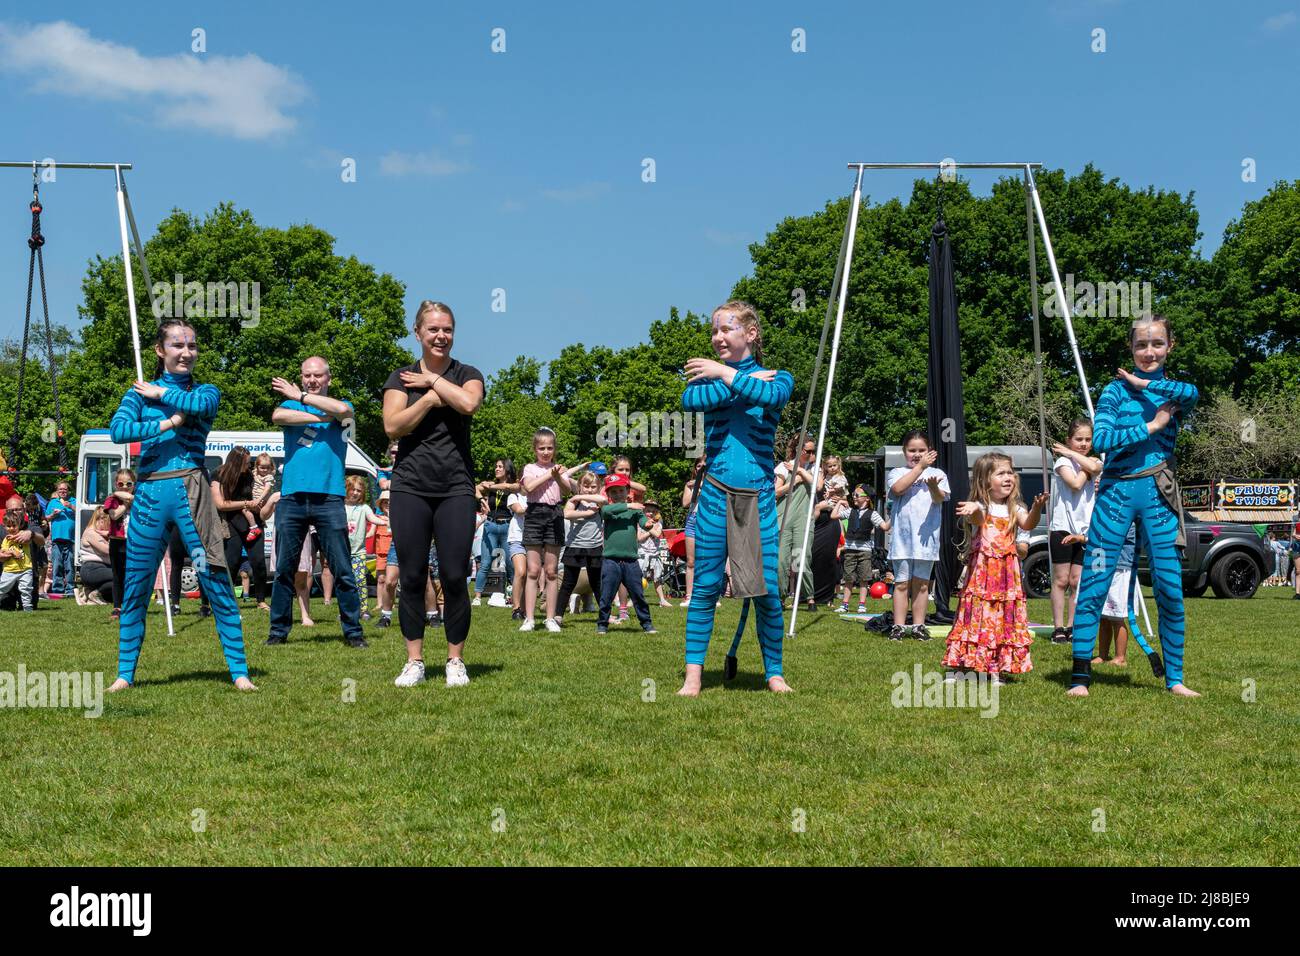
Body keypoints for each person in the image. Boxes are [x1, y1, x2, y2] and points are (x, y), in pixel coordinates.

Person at [106, 318, 254, 692]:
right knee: (137, 584)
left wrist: (160, 394)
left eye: (191, 345)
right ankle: (125, 673)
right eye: (177, 345)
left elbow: (199, 405)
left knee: (214, 577)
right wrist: (167, 423)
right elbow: (118, 431)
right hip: (150, 495)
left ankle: (239, 671)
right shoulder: (138, 395)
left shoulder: (205, 391)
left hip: (192, 494)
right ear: (160, 350)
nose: (186, 352)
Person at [1070, 315, 1199, 697]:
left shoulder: (1175, 392)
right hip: (1115, 496)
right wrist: (1153, 426)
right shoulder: (1113, 391)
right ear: (1131, 348)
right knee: (1094, 582)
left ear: (1170, 346)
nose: (1149, 352)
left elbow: (1193, 392)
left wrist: (1145, 385)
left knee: (1170, 589)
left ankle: (1175, 679)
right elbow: (1102, 440)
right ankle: (1080, 678)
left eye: (1157, 344)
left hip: (1159, 498)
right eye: (1141, 345)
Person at [679, 301, 794, 696]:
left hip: (759, 498)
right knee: (705, 587)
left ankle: (774, 673)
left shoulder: (778, 378)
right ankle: (693, 676)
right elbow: (691, 401)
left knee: (767, 592)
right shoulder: (704, 382)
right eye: (714, 331)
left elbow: (773, 395)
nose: (718, 337)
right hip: (714, 495)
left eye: (726, 329)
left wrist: (725, 374)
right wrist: (738, 380)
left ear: (751, 333)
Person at [384, 301, 484, 689]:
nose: (441, 336)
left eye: (447, 329)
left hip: (456, 487)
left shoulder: (468, 374)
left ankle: (455, 660)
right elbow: (394, 426)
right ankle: (415, 661)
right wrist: (428, 398)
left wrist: (432, 381)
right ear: (418, 333)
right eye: (433, 329)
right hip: (410, 486)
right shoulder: (401, 377)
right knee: (411, 575)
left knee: (455, 575)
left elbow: (469, 403)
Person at [266, 356, 365, 648]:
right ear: (301, 376)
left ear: (328, 379)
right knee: (284, 569)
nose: (312, 380)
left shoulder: (340, 404)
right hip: (292, 497)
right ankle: (278, 632)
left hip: (329, 497)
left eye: (318, 375)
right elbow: (278, 416)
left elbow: (343, 412)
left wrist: (301, 397)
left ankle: (353, 632)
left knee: (342, 568)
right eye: (307, 375)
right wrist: (321, 418)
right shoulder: (290, 405)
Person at [942, 453, 1047, 684]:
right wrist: (974, 508)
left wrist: (1037, 508)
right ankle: (962, 667)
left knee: (1001, 619)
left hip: (1006, 576)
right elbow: (979, 519)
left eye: (1010, 472)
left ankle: (996, 667)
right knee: (975, 616)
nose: (1008, 477)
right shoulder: (981, 506)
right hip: (982, 575)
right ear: (985, 480)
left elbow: (1028, 523)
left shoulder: (1015, 508)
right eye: (1001, 473)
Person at [518, 427, 585, 632]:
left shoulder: (559, 470)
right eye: (542, 448)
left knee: (551, 571)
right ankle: (529, 619)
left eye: (549, 448)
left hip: (555, 514)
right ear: (535, 449)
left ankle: (550, 619)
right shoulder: (530, 468)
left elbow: (567, 490)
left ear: (554, 449)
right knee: (533, 570)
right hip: (534, 515)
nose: (546, 452)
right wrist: (550, 474)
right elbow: (529, 487)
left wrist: (557, 476)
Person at [885, 431, 950, 641]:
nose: (917, 454)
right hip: (902, 538)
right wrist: (920, 468)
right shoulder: (897, 472)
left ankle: (918, 626)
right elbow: (898, 489)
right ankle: (898, 626)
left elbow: (939, 499)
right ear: (904, 451)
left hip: (927, 537)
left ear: (929, 450)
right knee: (902, 583)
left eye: (922, 450)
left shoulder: (938, 473)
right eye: (912, 450)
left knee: (922, 584)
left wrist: (933, 487)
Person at [1048, 419, 1102, 645]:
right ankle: (1058, 627)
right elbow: (1075, 484)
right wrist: (1083, 466)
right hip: (1062, 527)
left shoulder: (1094, 460)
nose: (1084, 444)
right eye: (1078, 439)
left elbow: (1096, 467)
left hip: (1086, 529)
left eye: (1088, 439)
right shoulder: (1062, 461)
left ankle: (1072, 626)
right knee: (1061, 580)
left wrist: (1073, 454)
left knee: (1077, 581)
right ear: (1069, 440)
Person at [210, 446, 273, 613]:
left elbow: (258, 493)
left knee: (258, 561)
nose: (249, 466)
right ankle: (227, 600)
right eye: (246, 463)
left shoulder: (249, 475)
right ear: (236, 462)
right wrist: (245, 504)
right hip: (232, 522)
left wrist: (261, 503)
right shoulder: (219, 474)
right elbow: (220, 504)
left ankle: (261, 600)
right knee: (232, 561)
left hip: (253, 523)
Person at [597, 474, 655, 634]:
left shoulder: (635, 510)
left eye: (621, 491)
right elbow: (605, 511)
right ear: (608, 494)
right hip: (611, 561)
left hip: (631, 561)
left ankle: (647, 624)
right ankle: (602, 624)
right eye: (613, 492)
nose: (617, 494)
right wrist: (629, 505)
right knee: (607, 595)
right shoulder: (608, 509)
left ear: (628, 491)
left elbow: (643, 521)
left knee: (638, 594)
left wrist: (648, 524)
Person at [555, 469, 606, 624]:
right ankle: (558, 615)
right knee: (568, 583)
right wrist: (587, 513)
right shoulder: (574, 502)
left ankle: (606, 615)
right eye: (586, 486)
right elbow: (567, 514)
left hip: (594, 547)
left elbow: (603, 499)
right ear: (579, 486)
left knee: (597, 583)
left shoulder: (598, 501)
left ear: (598, 487)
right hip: (575, 547)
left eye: (593, 487)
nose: (589, 489)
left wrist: (580, 496)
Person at [776, 435, 820, 612]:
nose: (812, 454)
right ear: (799, 450)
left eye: (813, 451)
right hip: (784, 518)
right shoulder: (784, 467)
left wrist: (801, 471)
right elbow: (775, 492)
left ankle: (809, 597)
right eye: (808, 451)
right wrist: (794, 482)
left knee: (801, 558)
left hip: (804, 519)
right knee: (781, 560)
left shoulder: (815, 468)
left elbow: (818, 486)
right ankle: (780, 597)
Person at [472, 458, 519, 605]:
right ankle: (477, 596)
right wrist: (482, 499)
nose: (496, 469)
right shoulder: (490, 484)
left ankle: (513, 596)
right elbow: (475, 488)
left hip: (507, 527)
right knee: (485, 563)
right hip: (490, 526)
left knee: (511, 564)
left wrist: (491, 486)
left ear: (507, 469)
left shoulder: (513, 485)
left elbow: (508, 486)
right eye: (496, 466)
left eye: (500, 467)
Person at [343, 475, 387, 621]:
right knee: (344, 582)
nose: (355, 493)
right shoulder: (340, 506)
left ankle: (363, 610)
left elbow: (373, 518)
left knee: (360, 580)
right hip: (343, 552)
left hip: (358, 553)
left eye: (359, 491)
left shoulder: (364, 508)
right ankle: (346, 611)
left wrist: (384, 521)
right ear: (346, 489)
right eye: (353, 489)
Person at [838, 486, 889, 614]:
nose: (854, 497)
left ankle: (861, 605)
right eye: (853, 495)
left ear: (866, 499)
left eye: (857, 495)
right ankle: (845, 604)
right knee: (848, 578)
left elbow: (885, 527)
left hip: (865, 551)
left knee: (864, 579)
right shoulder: (850, 511)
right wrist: (839, 502)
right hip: (850, 550)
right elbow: (834, 515)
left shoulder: (873, 514)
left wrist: (894, 515)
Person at [103, 468, 135, 619]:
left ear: (134, 484)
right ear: (116, 484)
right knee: (118, 575)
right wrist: (126, 505)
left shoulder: (138, 498)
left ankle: (131, 605)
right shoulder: (111, 499)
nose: (125, 487)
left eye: (129, 484)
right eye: (121, 484)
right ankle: (117, 607)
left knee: (133, 575)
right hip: (117, 542)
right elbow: (114, 515)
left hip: (134, 542)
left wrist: (129, 499)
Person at [679, 456, 706, 606]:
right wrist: (697, 487)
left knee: (707, 560)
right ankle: (689, 596)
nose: (701, 468)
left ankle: (709, 596)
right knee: (690, 561)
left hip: (708, 522)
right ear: (695, 469)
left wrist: (702, 485)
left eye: (704, 466)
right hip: (692, 521)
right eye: (698, 466)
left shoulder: (714, 484)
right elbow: (685, 503)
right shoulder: (689, 485)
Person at [638, 500, 673, 607]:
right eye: (648, 511)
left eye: (653, 511)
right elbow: (639, 538)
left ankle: (662, 600)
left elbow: (657, 534)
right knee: (640, 578)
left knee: (657, 578)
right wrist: (650, 530)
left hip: (654, 554)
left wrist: (648, 530)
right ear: (643, 511)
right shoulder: (639, 523)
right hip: (642, 554)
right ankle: (636, 599)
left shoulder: (658, 524)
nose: (651, 513)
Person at [44, 480, 76, 596]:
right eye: (60, 489)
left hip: (70, 539)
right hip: (56, 539)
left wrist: (70, 506)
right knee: (57, 565)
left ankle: (70, 589)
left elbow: (80, 512)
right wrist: (53, 515)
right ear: (57, 491)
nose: (62, 491)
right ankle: (57, 590)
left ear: (68, 490)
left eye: (65, 489)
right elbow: (46, 518)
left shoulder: (74, 501)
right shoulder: (53, 502)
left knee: (69, 565)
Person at [77, 506, 114, 604]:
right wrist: (111, 536)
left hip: (103, 568)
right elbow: (108, 550)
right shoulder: (90, 533)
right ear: (102, 520)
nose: (110, 525)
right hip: (92, 569)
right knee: (121, 576)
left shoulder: (100, 534)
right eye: (109, 522)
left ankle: (90, 592)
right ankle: (96, 593)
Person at [0, 508, 35, 610]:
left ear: (19, 525)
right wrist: (12, 552)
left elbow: (27, 541)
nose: (11, 528)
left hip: (25, 569)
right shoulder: (6, 539)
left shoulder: (23, 534)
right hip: (9, 570)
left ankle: (27, 608)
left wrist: (15, 538)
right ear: (4, 527)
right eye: (8, 526)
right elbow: (3, 552)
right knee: (2, 588)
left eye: (14, 525)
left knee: (26, 589)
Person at [373, 490, 396, 626]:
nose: (387, 504)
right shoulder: (377, 518)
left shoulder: (398, 518)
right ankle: (379, 603)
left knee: (392, 580)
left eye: (390, 502)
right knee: (381, 579)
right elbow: (370, 533)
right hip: (381, 553)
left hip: (394, 553)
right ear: (381, 505)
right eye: (385, 502)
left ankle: (392, 603)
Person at [506, 487, 528, 620]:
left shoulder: (538, 496)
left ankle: (525, 608)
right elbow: (519, 510)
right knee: (520, 572)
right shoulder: (514, 496)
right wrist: (538, 507)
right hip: (517, 538)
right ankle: (516, 608)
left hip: (534, 538)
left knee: (530, 575)